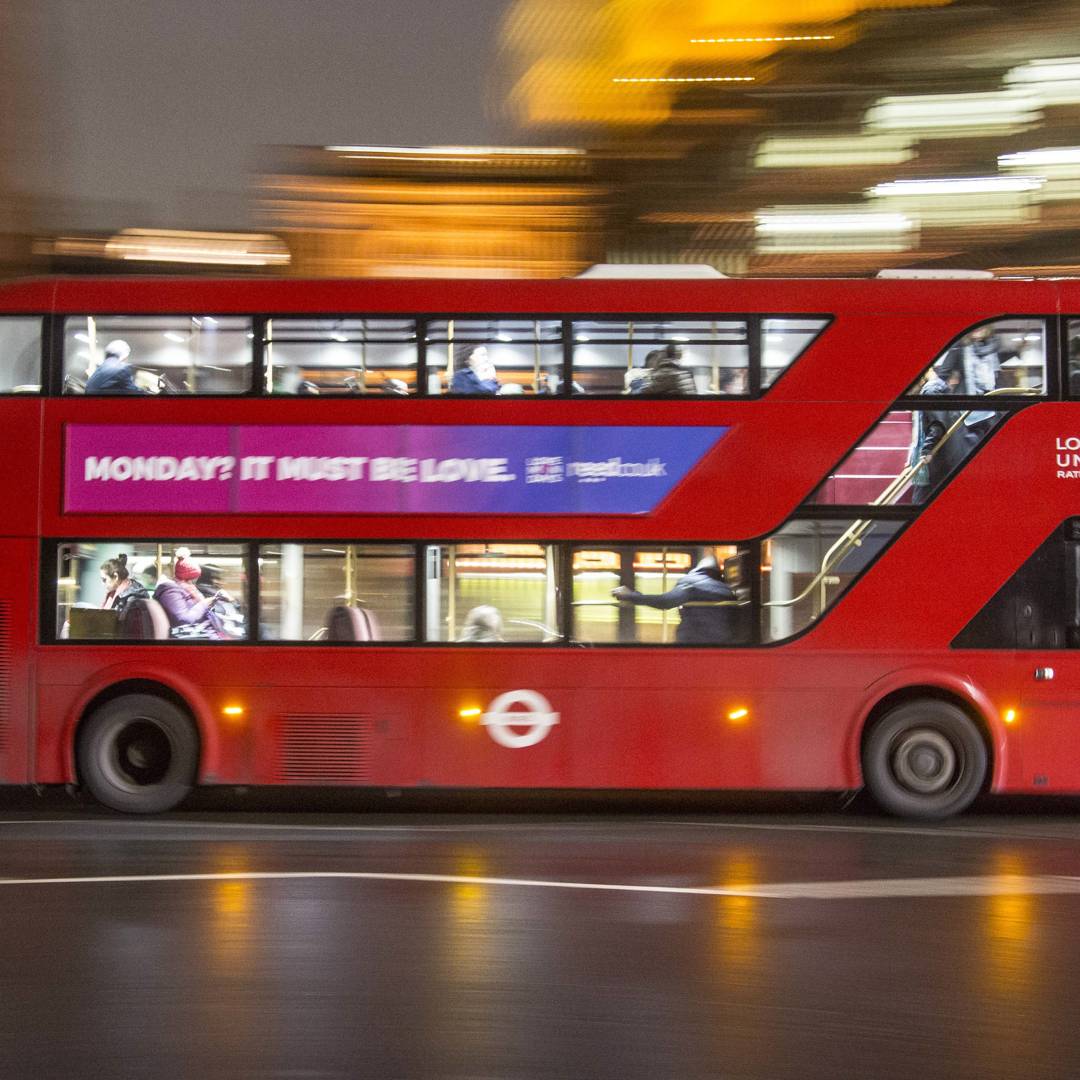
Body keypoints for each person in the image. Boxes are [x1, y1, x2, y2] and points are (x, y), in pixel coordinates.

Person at [611, 553, 738, 644]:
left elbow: (666, 601)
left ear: (697, 569)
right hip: (724, 643)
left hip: (693, 643)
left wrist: (630, 595)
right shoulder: (727, 590)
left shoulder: (693, 583)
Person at [153, 548, 234, 639]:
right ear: (183, 576)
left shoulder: (187, 587)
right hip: (192, 634)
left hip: (201, 630)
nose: (192, 583)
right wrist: (205, 603)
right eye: (189, 579)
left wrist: (215, 599)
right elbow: (183, 619)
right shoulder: (170, 592)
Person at [630, 344, 697, 396]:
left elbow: (645, 392)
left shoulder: (665, 373)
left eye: (661, 353)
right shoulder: (684, 373)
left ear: (664, 355)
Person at [99, 554, 149, 618]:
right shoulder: (114, 594)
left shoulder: (133, 598)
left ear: (116, 576)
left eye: (104, 579)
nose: (102, 584)